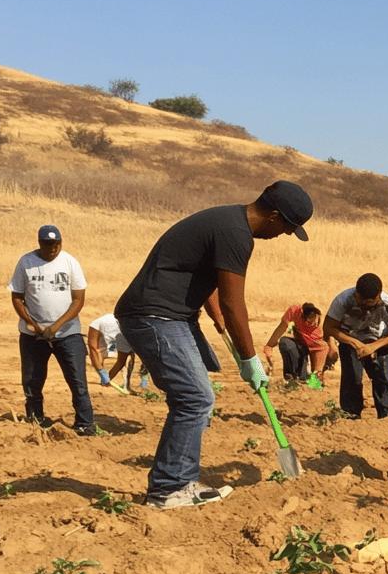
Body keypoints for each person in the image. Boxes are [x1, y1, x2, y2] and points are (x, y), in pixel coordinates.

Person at [117, 180, 312, 508]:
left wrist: (219, 320)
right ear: (275, 217)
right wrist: (250, 358)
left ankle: (179, 480)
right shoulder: (235, 234)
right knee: (195, 398)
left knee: (193, 396)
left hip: (171, 316)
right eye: (287, 229)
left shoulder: (226, 222)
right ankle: (170, 489)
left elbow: (208, 284)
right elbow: (236, 303)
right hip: (156, 316)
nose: (283, 236)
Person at [9, 225, 96, 435]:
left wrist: (56, 326)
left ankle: (85, 424)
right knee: (32, 380)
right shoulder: (26, 262)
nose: (53, 249)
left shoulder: (70, 262)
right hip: (33, 335)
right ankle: (36, 418)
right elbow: (17, 297)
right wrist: (35, 325)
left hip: (68, 333)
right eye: (48, 245)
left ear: (61, 243)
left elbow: (78, 300)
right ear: (40, 243)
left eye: (56, 244)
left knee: (77, 380)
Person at [325, 274, 388, 419]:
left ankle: (387, 415)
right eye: (362, 302)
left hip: (382, 340)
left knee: (384, 376)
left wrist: (374, 346)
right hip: (350, 339)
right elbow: (329, 327)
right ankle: (350, 414)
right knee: (352, 377)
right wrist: (354, 342)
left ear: (379, 296)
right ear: (356, 294)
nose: (366, 306)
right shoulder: (342, 301)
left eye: (371, 303)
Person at [262, 303, 328, 383]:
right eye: (309, 322)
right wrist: (269, 345)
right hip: (300, 345)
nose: (313, 324)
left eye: (315, 320)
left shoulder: (322, 325)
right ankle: (292, 378)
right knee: (285, 343)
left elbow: (324, 347)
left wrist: (318, 371)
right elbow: (282, 326)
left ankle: (309, 377)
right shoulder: (295, 311)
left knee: (315, 380)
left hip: (318, 349)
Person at [87, 312, 143, 389]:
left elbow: (93, 348)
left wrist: (101, 373)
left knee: (98, 351)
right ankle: (109, 381)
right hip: (116, 325)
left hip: (104, 323)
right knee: (125, 355)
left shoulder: (97, 323)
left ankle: (104, 379)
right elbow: (121, 361)